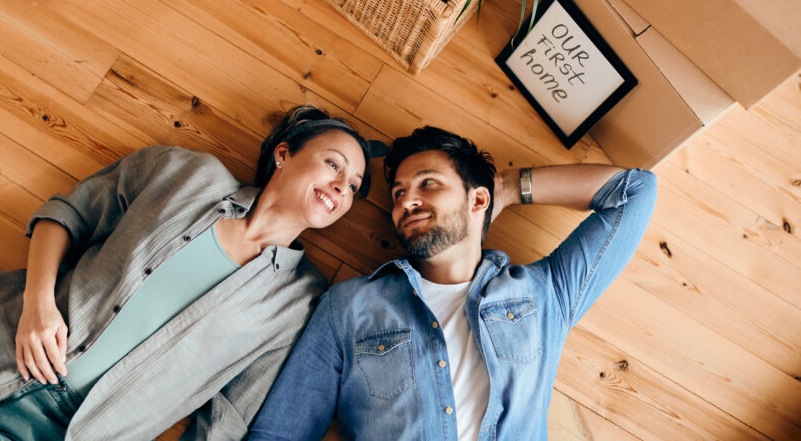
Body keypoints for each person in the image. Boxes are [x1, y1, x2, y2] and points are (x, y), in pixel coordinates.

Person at [0, 105, 381, 441]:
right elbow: (67, 214)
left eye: (354, 187)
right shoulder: (188, 174)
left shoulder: (301, 301)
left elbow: (228, 417)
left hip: (61, 431)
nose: (342, 187)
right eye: (333, 165)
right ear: (284, 154)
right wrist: (38, 304)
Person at [248, 126, 658, 441]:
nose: (406, 201)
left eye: (428, 184)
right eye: (398, 193)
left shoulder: (544, 294)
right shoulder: (348, 307)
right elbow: (280, 432)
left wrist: (505, 187)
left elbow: (635, 191)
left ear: (478, 200)